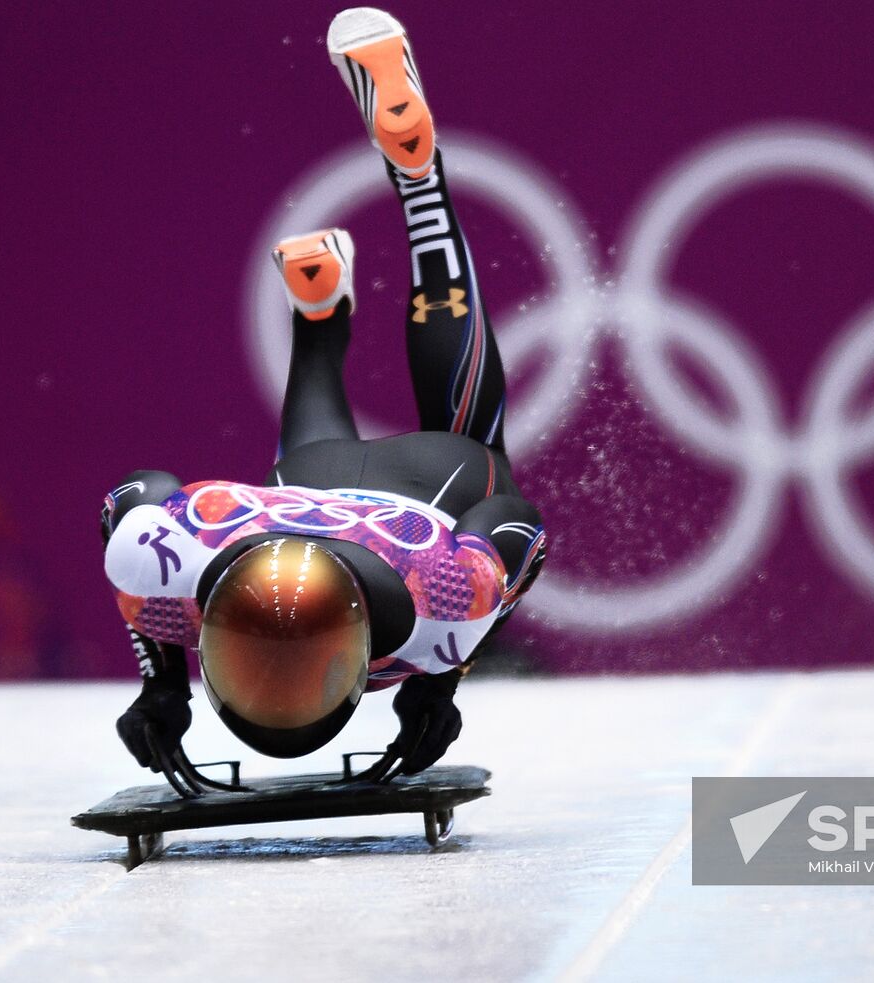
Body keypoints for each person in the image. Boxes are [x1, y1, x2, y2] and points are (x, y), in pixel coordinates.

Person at [100, 7, 546, 779]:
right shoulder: (168, 569)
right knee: (326, 460)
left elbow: (521, 524)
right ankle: (342, 279)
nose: (277, 684)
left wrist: (161, 685)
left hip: (411, 488)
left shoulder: (442, 601)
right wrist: (440, 681)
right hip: (307, 483)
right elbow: (128, 497)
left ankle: (398, 205)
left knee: (479, 449)